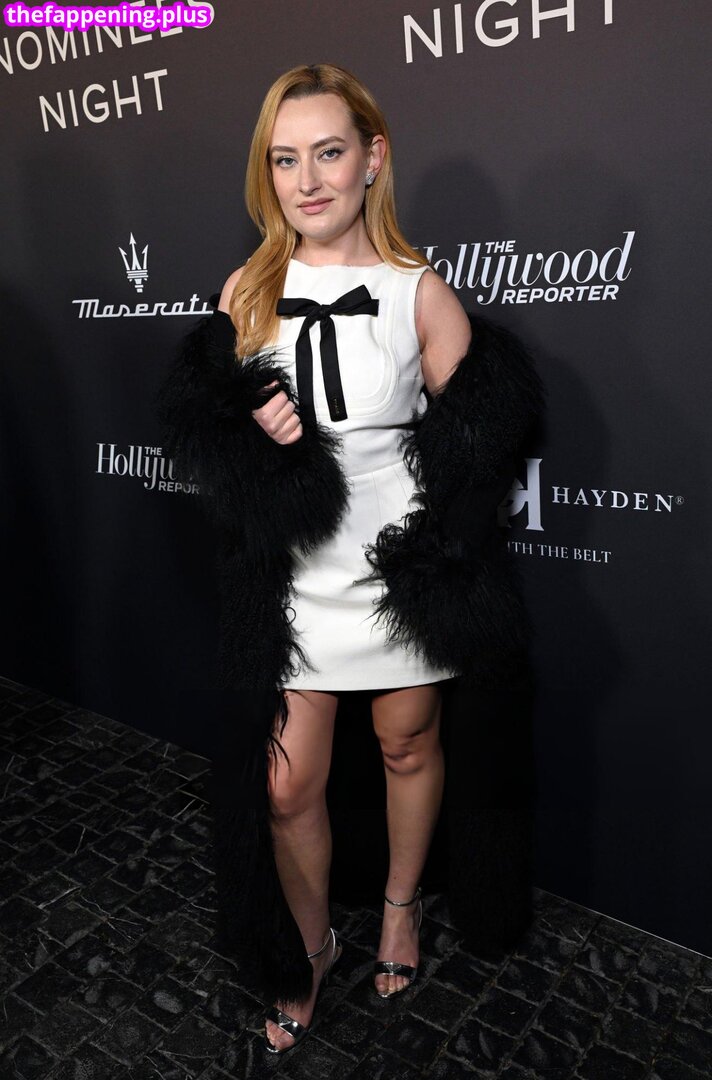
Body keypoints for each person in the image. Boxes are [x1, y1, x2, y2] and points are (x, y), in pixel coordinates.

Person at [155, 62, 543, 1057]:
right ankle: (313, 946)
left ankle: (401, 910)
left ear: (372, 158)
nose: (307, 180)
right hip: (294, 582)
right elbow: (211, 447)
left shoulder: (420, 292)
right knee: (288, 787)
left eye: (327, 153)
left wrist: (442, 543)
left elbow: (480, 444)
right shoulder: (248, 290)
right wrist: (251, 432)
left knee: (408, 745)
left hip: (397, 574)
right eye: (284, 160)